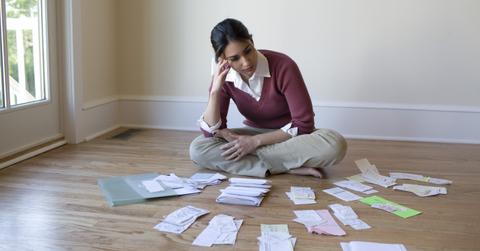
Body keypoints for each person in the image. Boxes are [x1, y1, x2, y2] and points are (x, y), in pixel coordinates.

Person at [189, 18, 347, 178]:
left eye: (248, 50)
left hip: (290, 137)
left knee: (334, 144)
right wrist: (215, 90)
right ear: (223, 59)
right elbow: (212, 132)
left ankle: (261, 164)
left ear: (252, 41)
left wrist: (255, 142)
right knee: (199, 148)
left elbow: (304, 124)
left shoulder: (283, 65)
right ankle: (286, 166)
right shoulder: (223, 76)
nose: (246, 62)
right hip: (252, 133)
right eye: (235, 58)